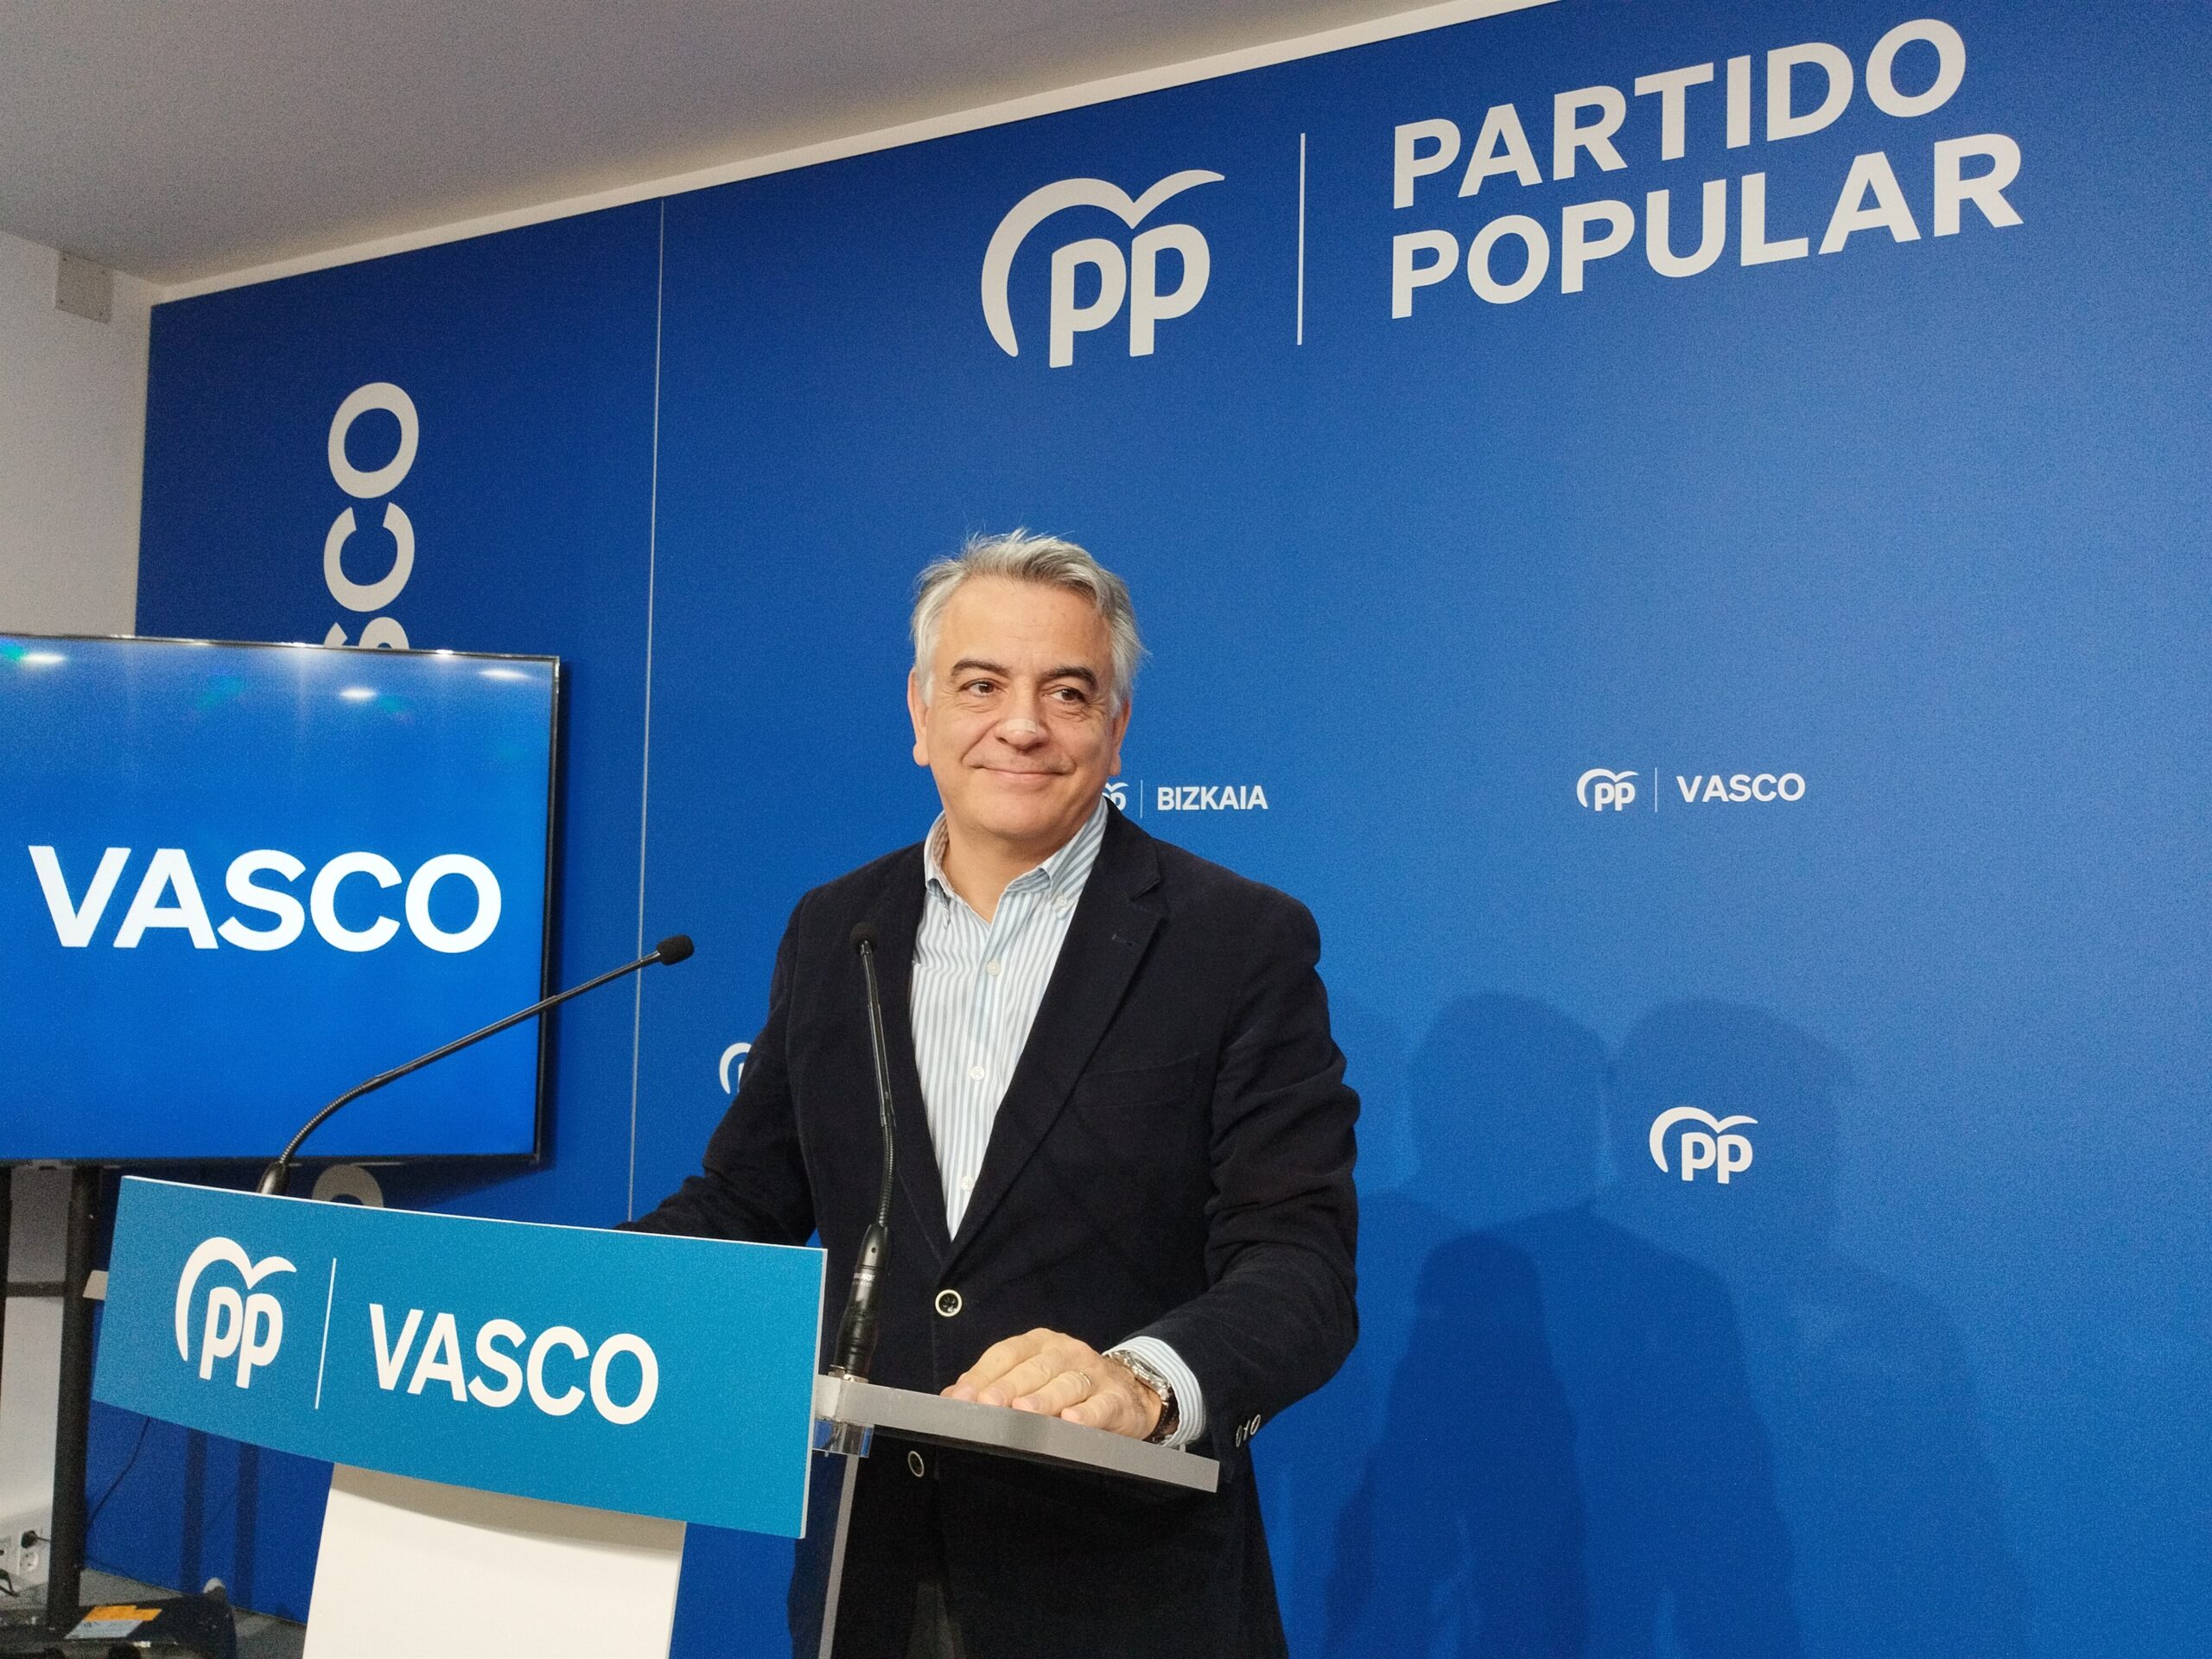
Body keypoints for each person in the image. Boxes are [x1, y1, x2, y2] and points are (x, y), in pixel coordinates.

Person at [629, 531, 1358, 1658]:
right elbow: (744, 1204)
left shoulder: (1237, 940)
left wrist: (1142, 1384)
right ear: (921, 714)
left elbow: (1299, 1266)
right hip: (866, 1583)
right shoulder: (836, 928)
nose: (1022, 724)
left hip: (1120, 1593)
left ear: (1116, 729)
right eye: (980, 685)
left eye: (1067, 692)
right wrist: (570, 1297)